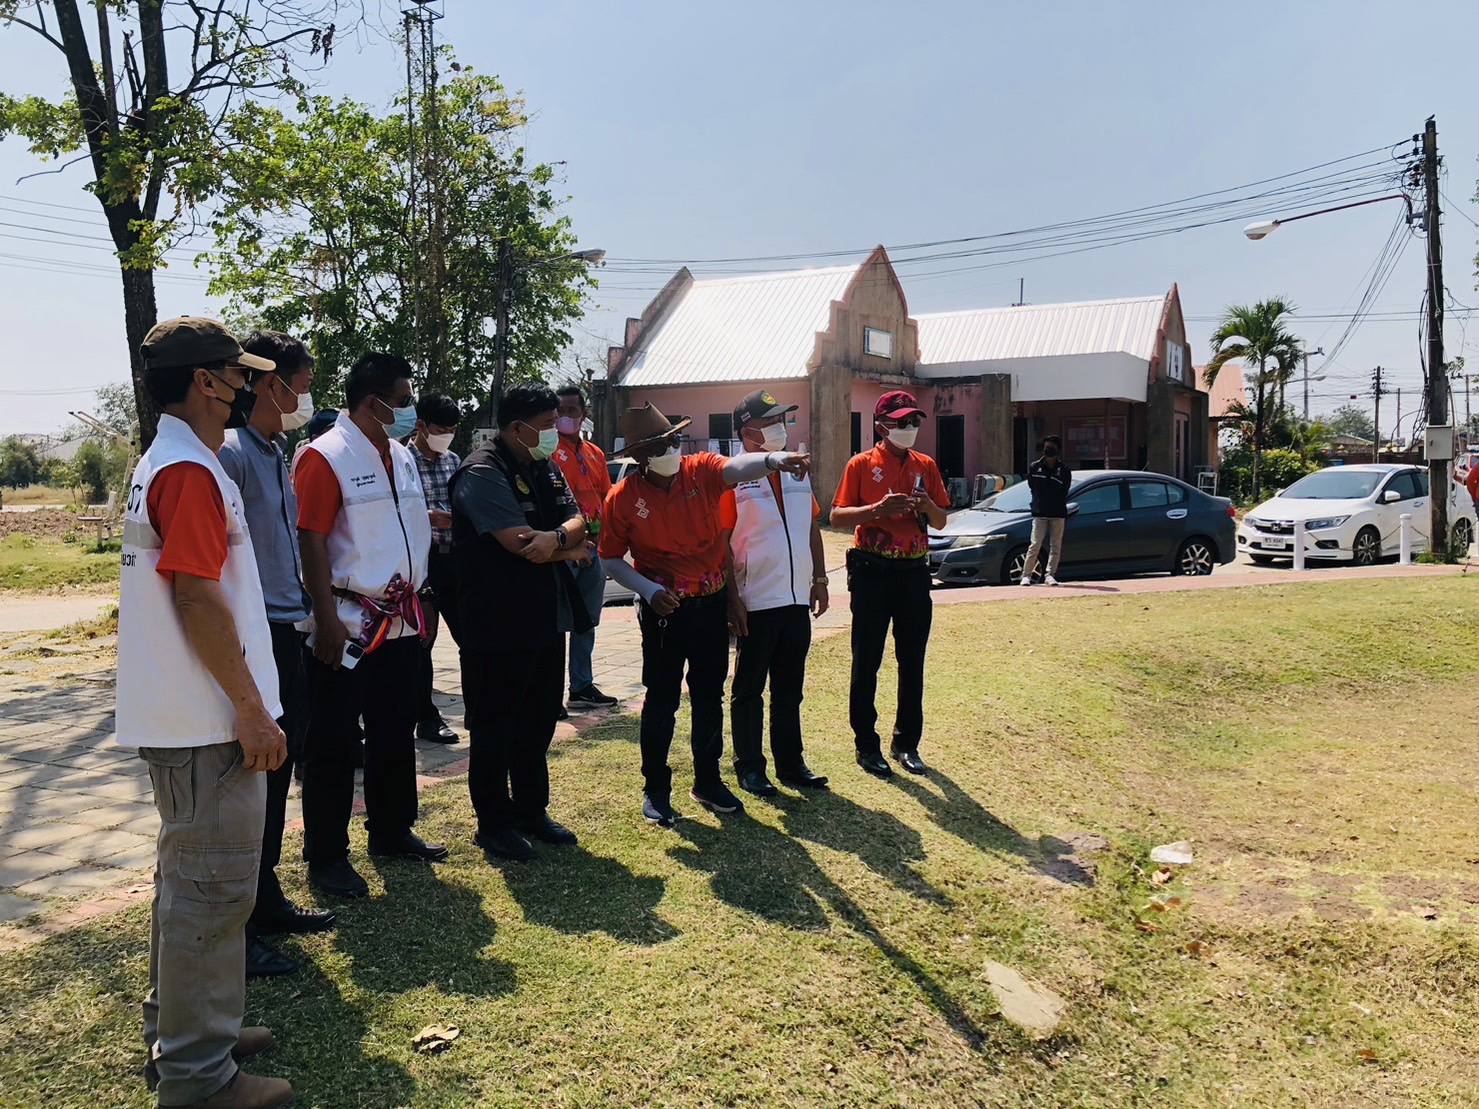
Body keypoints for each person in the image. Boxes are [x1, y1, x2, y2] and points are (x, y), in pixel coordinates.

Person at [116, 316, 294, 1108]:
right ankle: (196, 1074)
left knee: (187, 888)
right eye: (238, 373)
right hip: (208, 722)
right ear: (205, 381)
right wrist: (251, 710)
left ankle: (187, 1031)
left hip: (190, 717)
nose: (250, 387)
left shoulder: (175, 460)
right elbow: (196, 597)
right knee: (211, 894)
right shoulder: (189, 470)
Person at [599, 403, 810, 825]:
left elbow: (736, 468)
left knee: (709, 696)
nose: (671, 450)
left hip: (710, 605)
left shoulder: (700, 470)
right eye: (659, 446)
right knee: (661, 700)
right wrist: (649, 590)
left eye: (673, 440)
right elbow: (610, 558)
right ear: (639, 456)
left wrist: (773, 459)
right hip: (665, 611)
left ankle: (708, 781)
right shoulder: (623, 498)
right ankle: (656, 788)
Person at [293, 352, 446, 899]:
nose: (409, 411)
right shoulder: (324, 456)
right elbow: (310, 539)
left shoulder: (400, 455)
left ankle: (391, 830)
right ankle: (327, 855)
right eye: (403, 401)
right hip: (348, 621)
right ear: (373, 402)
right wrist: (325, 619)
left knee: (395, 730)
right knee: (334, 742)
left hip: (401, 618)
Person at [217, 331, 336, 982]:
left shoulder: (275, 449)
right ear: (271, 384)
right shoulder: (231, 454)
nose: (304, 398)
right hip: (255, 634)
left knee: (277, 773)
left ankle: (266, 899)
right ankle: (240, 925)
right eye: (303, 385)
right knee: (249, 780)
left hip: (288, 628)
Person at [450, 385, 592, 860]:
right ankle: (494, 824)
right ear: (517, 427)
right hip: (496, 621)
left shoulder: (543, 465)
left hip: (543, 616)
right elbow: (521, 544)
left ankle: (532, 810)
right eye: (548, 424)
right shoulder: (482, 471)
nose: (556, 431)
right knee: (495, 726)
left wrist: (560, 540)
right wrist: (565, 547)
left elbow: (578, 519)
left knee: (539, 718)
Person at [830, 390, 950, 778]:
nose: (909, 428)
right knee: (867, 659)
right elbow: (837, 516)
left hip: (913, 573)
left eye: (914, 421)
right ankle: (866, 744)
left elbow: (941, 520)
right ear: (881, 427)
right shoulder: (861, 464)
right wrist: (877, 510)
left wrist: (926, 506)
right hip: (873, 571)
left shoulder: (925, 465)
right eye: (901, 422)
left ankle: (906, 743)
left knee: (912, 661)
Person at [721, 390, 831, 797]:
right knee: (749, 689)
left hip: (796, 597)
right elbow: (721, 541)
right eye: (769, 422)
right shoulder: (731, 477)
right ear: (746, 431)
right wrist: (733, 600)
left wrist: (819, 578)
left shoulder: (795, 469)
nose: (778, 428)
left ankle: (791, 762)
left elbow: (812, 525)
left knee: (789, 689)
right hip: (756, 599)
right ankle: (750, 767)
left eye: (780, 420)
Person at [551, 385, 618, 712]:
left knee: (587, 619)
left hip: (595, 547)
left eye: (572, 411)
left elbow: (607, 497)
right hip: (564, 547)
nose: (565, 417)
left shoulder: (595, 453)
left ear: (583, 414)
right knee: (556, 619)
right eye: (560, 411)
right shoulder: (548, 451)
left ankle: (581, 686)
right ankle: (551, 693)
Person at [410, 393, 464, 744]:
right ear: (421, 426)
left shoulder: (453, 460)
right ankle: (426, 717)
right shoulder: (401, 460)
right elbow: (396, 510)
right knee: (422, 642)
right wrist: (427, 516)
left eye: (452, 429)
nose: (447, 436)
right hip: (421, 561)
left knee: (471, 636)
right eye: (441, 429)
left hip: (453, 559)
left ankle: (479, 706)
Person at [1021, 434, 1072, 586]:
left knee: (1055, 546)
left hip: (1057, 513)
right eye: (1046, 447)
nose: (1048, 450)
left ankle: (1050, 575)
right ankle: (1026, 575)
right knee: (1035, 544)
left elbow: (1064, 491)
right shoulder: (1035, 467)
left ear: (1057, 450)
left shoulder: (1064, 470)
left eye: (1051, 447)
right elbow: (1032, 487)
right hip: (1040, 512)